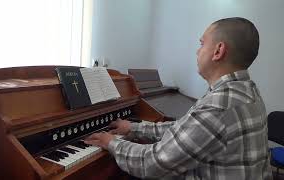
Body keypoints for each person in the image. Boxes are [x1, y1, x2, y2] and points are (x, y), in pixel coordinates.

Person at [84, 17, 273, 180]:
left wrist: (110, 142)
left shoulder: (219, 106)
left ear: (218, 51)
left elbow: (151, 163)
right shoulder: (248, 90)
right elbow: (185, 129)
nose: (198, 51)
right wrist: (133, 127)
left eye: (201, 44)